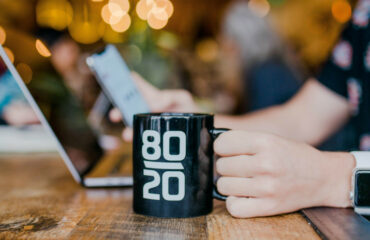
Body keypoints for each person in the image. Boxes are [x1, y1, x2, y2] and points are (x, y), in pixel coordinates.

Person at [110, 0, 370, 218]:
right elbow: (300, 120)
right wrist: (197, 122)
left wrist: (331, 177)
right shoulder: (363, 15)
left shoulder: (267, 74)